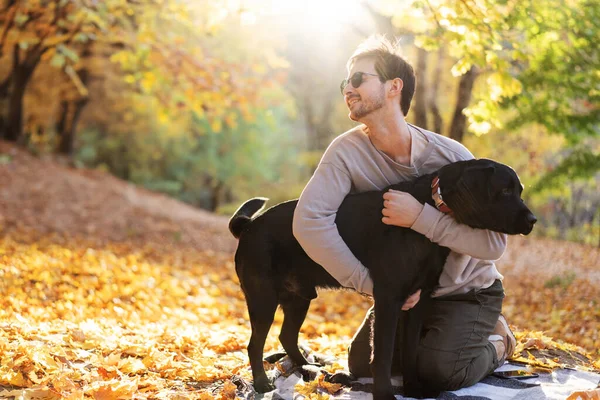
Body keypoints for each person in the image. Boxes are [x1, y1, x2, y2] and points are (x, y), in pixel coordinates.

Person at [291, 35, 516, 391]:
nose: (347, 89)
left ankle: (499, 341)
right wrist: (370, 283)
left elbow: (493, 245)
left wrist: (420, 218)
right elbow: (309, 221)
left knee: (438, 372)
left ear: (394, 87)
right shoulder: (346, 153)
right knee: (361, 364)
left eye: (358, 79)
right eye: (344, 82)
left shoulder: (451, 157)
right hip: (404, 291)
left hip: (466, 291)